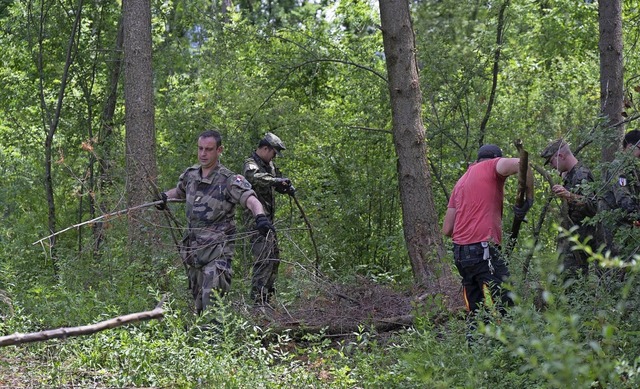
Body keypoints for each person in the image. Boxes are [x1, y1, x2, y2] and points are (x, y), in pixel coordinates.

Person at [156, 130, 274, 315]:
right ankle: (202, 342)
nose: (203, 154)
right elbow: (179, 192)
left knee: (213, 306)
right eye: (200, 149)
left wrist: (260, 217)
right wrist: (164, 197)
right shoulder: (191, 175)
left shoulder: (229, 180)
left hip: (217, 252)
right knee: (199, 308)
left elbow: (251, 199)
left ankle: (216, 341)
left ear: (219, 150)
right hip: (193, 251)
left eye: (209, 149)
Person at [442, 144, 533, 340]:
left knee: (475, 311)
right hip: (483, 249)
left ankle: (476, 353)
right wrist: (529, 200)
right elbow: (522, 162)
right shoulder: (492, 166)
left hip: (460, 253)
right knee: (505, 302)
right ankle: (511, 353)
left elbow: (447, 229)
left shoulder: (460, 182)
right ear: (494, 158)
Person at [242, 132, 295, 305]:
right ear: (265, 148)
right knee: (263, 260)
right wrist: (276, 181)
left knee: (274, 259)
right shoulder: (251, 164)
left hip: (269, 221)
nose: (274, 157)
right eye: (273, 152)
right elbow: (255, 179)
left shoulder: (269, 165)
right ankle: (258, 302)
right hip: (256, 222)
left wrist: (285, 186)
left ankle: (267, 298)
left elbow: (276, 181)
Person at [540, 139, 597, 279]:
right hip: (572, 243)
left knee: (574, 286)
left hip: (580, 244)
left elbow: (593, 206)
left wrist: (569, 195)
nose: (552, 166)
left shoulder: (581, 174)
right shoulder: (571, 175)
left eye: (551, 161)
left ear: (561, 156)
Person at [598, 130, 640, 263]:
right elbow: (623, 198)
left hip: (627, 227)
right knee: (620, 267)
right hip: (616, 229)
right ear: (630, 146)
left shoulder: (632, 169)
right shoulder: (618, 167)